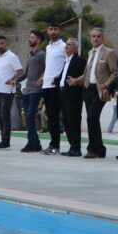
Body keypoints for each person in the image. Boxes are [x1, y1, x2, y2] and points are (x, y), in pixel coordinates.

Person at [81, 28, 117, 159]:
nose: (95, 39)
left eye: (98, 36)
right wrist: (77, 80)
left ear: (102, 38)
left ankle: (92, 149)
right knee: (93, 119)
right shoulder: (90, 52)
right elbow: (87, 73)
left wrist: (106, 85)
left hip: (100, 90)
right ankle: (100, 149)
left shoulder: (109, 52)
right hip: (87, 89)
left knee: (91, 117)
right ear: (90, 38)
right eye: (93, 36)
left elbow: (114, 72)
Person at [0, 35, 24, 150]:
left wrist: (12, 79)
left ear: (7, 44)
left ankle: (5, 142)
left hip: (7, 90)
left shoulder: (11, 56)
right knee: (0, 116)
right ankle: (3, 140)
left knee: (4, 115)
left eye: (2, 43)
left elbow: (20, 70)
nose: (0, 46)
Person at [41, 22, 67, 155]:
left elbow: (67, 63)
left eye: (55, 29)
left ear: (60, 31)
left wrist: (58, 78)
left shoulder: (63, 46)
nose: (53, 32)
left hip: (56, 86)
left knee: (55, 116)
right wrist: (43, 77)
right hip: (46, 85)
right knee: (50, 117)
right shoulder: (48, 47)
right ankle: (52, 144)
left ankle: (55, 145)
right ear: (47, 31)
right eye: (51, 29)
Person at [58, 38, 87, 156]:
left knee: (74, 121)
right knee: (66, 121)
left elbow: (84, 76)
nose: (66, 47)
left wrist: (75, 81)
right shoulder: (66, 60)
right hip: (63, 94)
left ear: (75, 48)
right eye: (66, 45)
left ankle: (76, 148)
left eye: (69, 45)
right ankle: (72, 146)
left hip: (74, 95)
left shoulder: (79, 60)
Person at [20, 31, 45, 153]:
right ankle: (36, 144)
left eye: (32, 37)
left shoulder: (42, 55)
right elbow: (26, 73)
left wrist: (41, 78)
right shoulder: (30, 55)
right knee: (27, 117)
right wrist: (15, 80)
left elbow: (48, 68)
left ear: (38, 40)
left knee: (30, 116)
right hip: (27, 90)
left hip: (36, 90)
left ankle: (31, 143)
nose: (29, 39)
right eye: (29, 37)